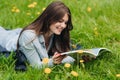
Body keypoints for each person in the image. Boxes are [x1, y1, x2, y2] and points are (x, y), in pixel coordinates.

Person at [0, 1, 75, 69]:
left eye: (65, 22)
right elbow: (36, 66)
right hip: (9, 40)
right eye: (60, 21)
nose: (63, 26)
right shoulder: (28, 37)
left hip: (24, 33)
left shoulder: (55, 33)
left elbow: (67, 57)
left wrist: (78, 58)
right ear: (49, 18)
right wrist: (53, 61)